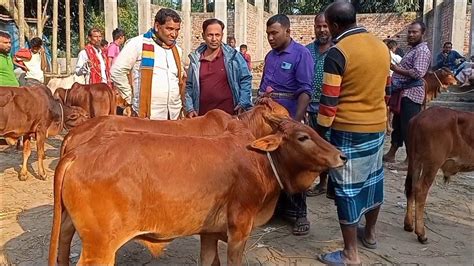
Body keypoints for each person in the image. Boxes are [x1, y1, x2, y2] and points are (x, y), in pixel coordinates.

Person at [315, 2, 390, 265]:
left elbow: (328, 103)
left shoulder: (338, 53)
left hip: (349, 130)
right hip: (377, 127)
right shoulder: (381, 46)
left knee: (347, 189)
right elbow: (387, 89)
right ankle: (369, 234)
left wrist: (319, 131)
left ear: (334, 25)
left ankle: (350, 254)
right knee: (373, 180)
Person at [259, 14, 314, 235]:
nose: (271, 38)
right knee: (271, 164)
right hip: (268, 118)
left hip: (290, 117)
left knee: (294, 164)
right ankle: (278, 209)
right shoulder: (270, 56)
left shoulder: (302, 54)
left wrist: (295, 122)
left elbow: (305, 91)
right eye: (268, 34)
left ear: (288, 32)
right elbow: (264, 85)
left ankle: (300, 214)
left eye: (275, 33)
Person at [111, 8, 184, 120]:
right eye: (169, 29)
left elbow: (180, 79)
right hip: (148, 116)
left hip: (173, 114)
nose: (174, 34)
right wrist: (130, 98)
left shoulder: (177, 50)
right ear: (157, 26)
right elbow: (116, 71)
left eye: (177, 30)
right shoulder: (137, 44)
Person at [384, 21, 431, 166]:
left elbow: (418, 73)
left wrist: (396, 69)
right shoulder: (413, 49)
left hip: (412, 93)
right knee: (398, 124)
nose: (411, 34)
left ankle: (411, 160)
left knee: (409, 127)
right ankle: (392, 153)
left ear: (422, 34)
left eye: (414, 32)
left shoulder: (422, 51)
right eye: (410, 32)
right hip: (403, 93)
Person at [185, 19, 252, 117]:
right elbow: (189, 85)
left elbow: (245, 78)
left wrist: (243, 102)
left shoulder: (233, 57)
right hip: (203, 118)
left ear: (222, 35)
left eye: (217, 35)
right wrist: (189, 108)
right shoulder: (196, 60)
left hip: (230, 117)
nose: (214, 39)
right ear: (203, 36)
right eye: (210, 35)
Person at [305, 12, 332, 197]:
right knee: (315, 146)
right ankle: (321, 183)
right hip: (309, 106)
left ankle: (334, 185)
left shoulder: (339, 50)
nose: (321, 30)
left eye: (325, 26)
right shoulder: (306, 50)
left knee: (332, 145)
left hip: (330, 107)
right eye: (318, 26)